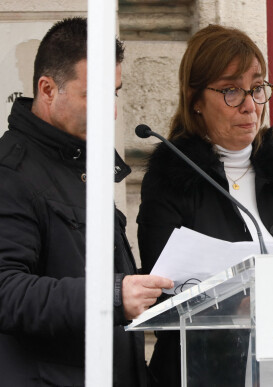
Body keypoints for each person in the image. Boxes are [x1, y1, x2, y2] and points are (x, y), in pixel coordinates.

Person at [137, 24, 273, 386]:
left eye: (257, 88)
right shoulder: (171, 181)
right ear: (196, 99)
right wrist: (232, 306)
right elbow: (159, 294)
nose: (249, 105)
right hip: (206, 373)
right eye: (231, 91)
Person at [0, 17, 173, 386]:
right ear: (47, 89)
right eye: (94, 95)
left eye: (114, 93)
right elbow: (7, 292)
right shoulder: (10, 173)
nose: (111, 111)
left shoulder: (83, 163)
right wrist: (111, 295)